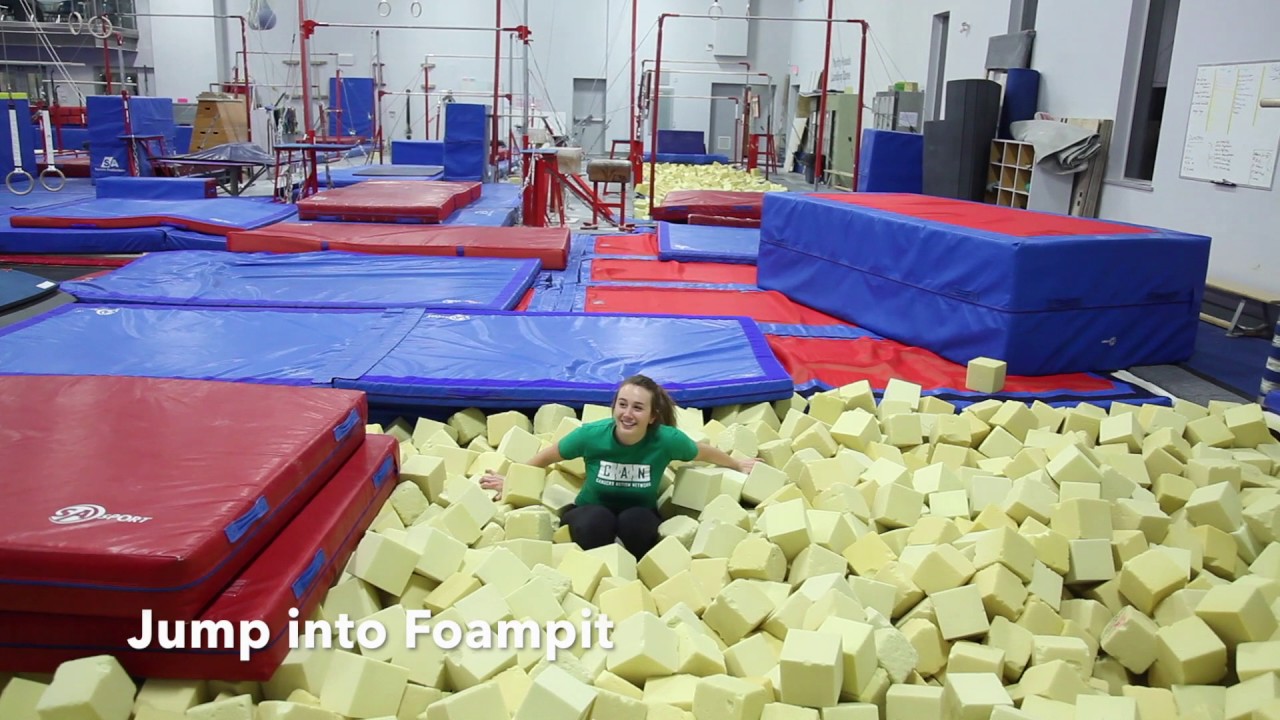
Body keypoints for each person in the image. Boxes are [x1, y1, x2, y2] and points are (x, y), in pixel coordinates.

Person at [479, 374, 759, 559]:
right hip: (590, 508)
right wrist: (512, 481)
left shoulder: (666, 440)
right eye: (622, 405)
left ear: (652, 417)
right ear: (613, 407)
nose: (627, 414)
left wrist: (736, 463)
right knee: (596, 522)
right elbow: (548, 456)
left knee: (635, 524)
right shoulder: (591, 435)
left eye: (638, 408)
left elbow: (702, 452)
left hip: (639, 511)